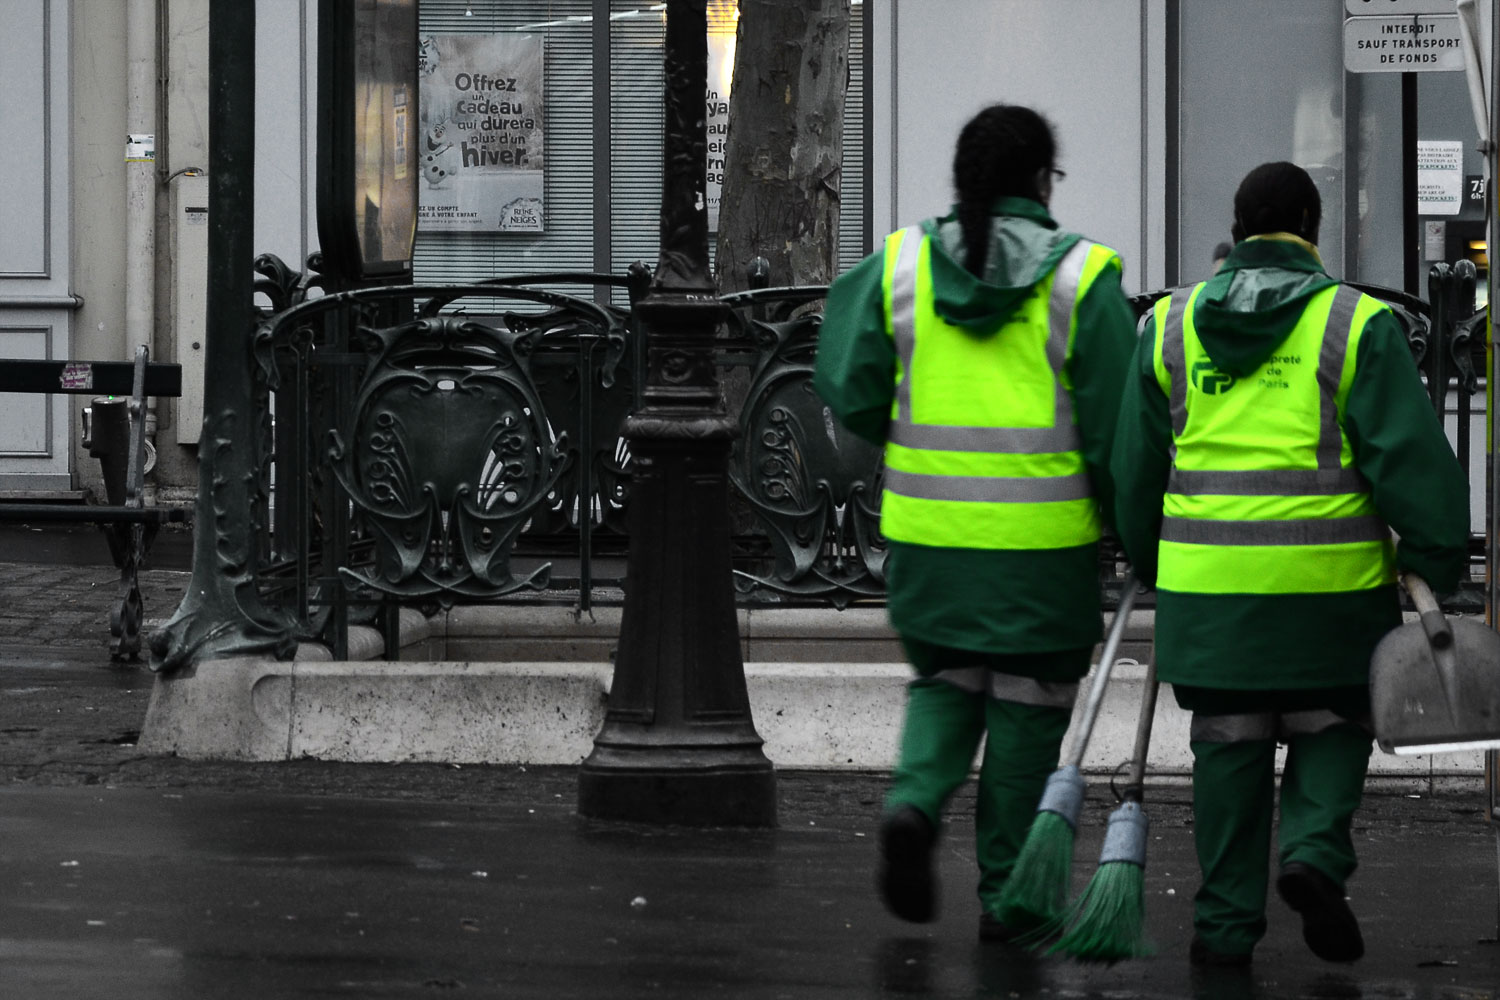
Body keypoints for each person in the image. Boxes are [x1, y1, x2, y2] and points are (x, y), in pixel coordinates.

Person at [1111, 161, 1470, 967]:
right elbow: (1412, 464)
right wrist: (1433, 561)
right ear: (1311, 225)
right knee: (1334, 727)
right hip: (1330, 603)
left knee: (1229, 747)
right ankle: (1311, 853)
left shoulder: (1168, 327)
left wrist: (1145, 557)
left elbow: (1133, 471)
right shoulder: (1356, 326)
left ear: (1237, 229)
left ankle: (1226, 926)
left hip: (1211, 605)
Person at [812, 104, 1137, 940]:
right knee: (1028, 713)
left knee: (945, 685)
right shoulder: (1084, 279)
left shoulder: (903, 265)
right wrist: (1135, 530)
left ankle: (915, 804)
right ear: (1040, 180)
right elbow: (1116, 434)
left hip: (927, 547)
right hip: (1041, 557)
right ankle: (1007, 898)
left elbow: (848, 385)